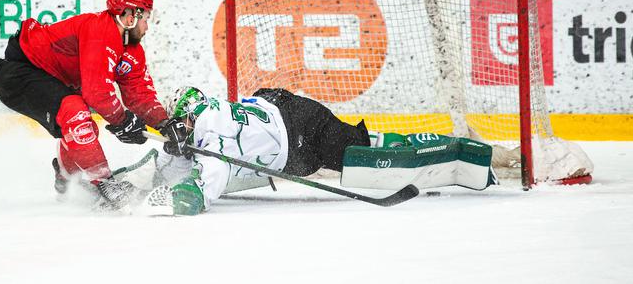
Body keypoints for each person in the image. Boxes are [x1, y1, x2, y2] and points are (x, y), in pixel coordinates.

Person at [132, 87, 497, 216]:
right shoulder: (210, 120)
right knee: (353, 152)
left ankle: (448, 151)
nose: (183, 129)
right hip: (286, 121)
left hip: (302, 128)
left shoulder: (211, 129)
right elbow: (176, 158)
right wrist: (163, 164)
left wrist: (179, 196)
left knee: (357, 156)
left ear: (191, 115)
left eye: (183, 122)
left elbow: (204, 186)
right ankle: (400, 144)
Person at [0, 0, 176, 209]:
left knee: (85, 129)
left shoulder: (132, 50)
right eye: (146, 17)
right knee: (76, 114)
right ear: (130, 17)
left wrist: (165, 124)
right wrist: (123, 121)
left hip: (52, 80)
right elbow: (97, 93)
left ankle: (65, 175)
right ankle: (107, 185)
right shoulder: (100, 30)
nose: (148, 25)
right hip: (20, 73)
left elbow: (140, 93)